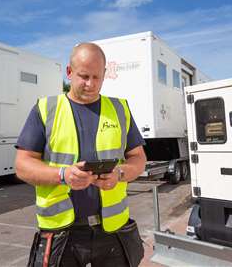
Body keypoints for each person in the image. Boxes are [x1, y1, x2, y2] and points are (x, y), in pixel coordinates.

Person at [15, 42, 147, 267]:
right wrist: (63, 175)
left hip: (112, 233)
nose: (90, 84)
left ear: (105, 74)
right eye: (84, 76)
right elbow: (22, 165)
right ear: (69, 72)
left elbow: (139, 158)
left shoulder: (120, 110)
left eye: (97, 77)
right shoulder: (46, 109)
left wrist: (120, 173)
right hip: (62, 235)